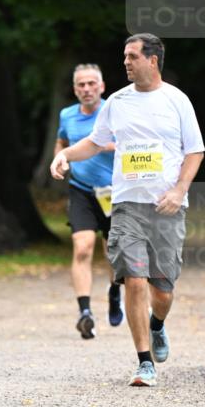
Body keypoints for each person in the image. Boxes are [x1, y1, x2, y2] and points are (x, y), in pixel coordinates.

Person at [50, 33, 205, 388]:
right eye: (124, 56)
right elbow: (93, 142)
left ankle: (157, 325)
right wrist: (64, 154)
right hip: (126, 206)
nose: (126, 62)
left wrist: (179, 189)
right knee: (134, 279)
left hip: (167, 206)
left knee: (162, 290)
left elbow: (195, 151)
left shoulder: (177, 101)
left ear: (152, 60)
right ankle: (143, 361)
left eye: (132, 56)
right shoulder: (116, 102)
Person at [54, 63, 123, 339]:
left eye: (91, 83)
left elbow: (136, 145)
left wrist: (101, 144)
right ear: (75, 89)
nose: (86, 89)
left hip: (114, 192)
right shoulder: (67, 115)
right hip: (80, 190)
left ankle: (115, 290)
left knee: (113, 254)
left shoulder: (115, 112)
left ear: (102, 87)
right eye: (81, 85)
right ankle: (85, 312)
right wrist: (60, 158)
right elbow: (61, 141)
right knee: (82, 248)